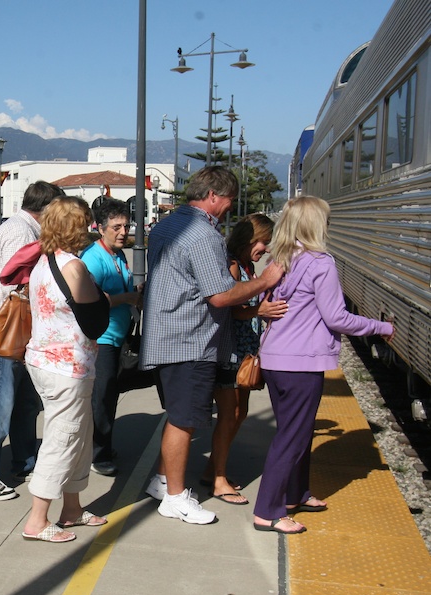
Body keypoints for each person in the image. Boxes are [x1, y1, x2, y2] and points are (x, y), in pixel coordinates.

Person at [140, 166, 283, 525]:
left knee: (179, 416)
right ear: (214, 196)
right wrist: (264, 281)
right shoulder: (202, 235)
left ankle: (161, 482)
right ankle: (174, 497)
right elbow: (220, 296)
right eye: (229, 201)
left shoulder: (166, 225)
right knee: (184, 421)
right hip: (190, 340)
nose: (228, 209)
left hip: (167, 335)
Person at [253, 196, 394, 534]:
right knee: (292, 437)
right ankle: (268, 511)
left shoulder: (281, 258)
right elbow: (336, 317)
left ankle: (295, 494)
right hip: (301, 362)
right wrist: (380, 327)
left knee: (295, 433)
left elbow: (266, 303)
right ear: (316, 224)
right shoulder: (320, 263)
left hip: (274, 359)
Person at [0, 181, 63, 501]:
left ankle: (24, 459)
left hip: (8, 324)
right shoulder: (21, 232)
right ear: (46, 209)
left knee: (22, 401)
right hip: (4, 324)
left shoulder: (20, 227)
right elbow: (18, 283)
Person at [21, 197, 108, 543]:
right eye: (85, 222)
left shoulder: (44, 261)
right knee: (63, 438)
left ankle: (72, 507)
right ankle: (37, 519)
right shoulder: (73, 266)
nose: (89, 228)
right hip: (66, 367)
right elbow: (95, 311)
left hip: (45, 359)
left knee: (78, 436)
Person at [203, 214, 287, 504]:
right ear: (249, 239)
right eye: (263, 242)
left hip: (245, 352)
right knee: (229, 415)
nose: (265, 248)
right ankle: (219, 478)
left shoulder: (248, 266)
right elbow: (229, 309)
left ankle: (213, 468)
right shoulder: (233, 266)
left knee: (239, 413)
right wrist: (258, 312)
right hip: (230, 351)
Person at [80, 198, 140, 476]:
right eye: (116, 227)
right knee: (101, 398)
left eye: (126, 226)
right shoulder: (93, 257)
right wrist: (127, 297)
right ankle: (97, 454)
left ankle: (102, 445)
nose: (123, 232)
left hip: (117, 336)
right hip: (100, 339)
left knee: (109, 395)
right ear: (100, 228)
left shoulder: (118, 255)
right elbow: (90, 298)